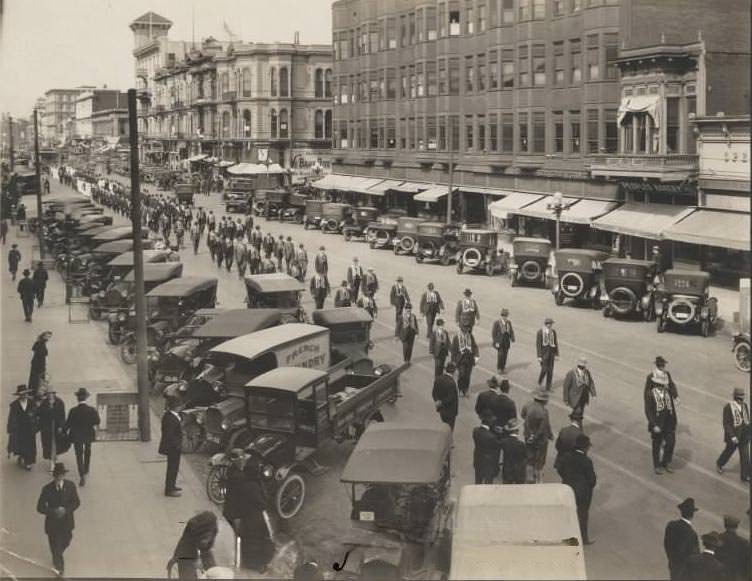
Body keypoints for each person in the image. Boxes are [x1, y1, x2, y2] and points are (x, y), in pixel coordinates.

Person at [36, 462, 80, 576]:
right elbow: (40, 507)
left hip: (66, 522)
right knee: (55, 546)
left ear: (64, 475)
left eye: (61, 475)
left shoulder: (70, 486)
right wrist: (53, 511)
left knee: (66, 540)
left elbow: (76, 502)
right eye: (57, 475)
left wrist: (65, 510)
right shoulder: (47, 489)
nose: (59, 477)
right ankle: (59, 568)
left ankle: (57, 555)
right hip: (53, 524)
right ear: (54, 476)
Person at [557, 433, 596, 545]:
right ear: (585, 447)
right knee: (583, 515)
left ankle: (567, 537)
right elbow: (591, 479)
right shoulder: (586, 461)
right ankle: (584, 538)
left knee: (568, 514)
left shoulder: (566, 457)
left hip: (568, 489)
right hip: (583, 492)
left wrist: (566, 479)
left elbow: (560, 469)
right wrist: (588, 486)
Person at [167, 511, 219, 579]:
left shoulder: (213, 531)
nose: (206, 540)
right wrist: (196, 561)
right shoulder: (192, 529)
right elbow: (184, 550)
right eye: (205, 538)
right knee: (188, 574)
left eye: (208, 538)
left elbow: (207, 549)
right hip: (186, 552)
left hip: (203, 548)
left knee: (214, 572)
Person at [65, 388, 100, 486]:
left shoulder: (73, 411)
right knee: (88, 450)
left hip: (76, 436)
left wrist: (63, 430)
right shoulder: (92, 410)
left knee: (79, 454)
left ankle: (81, 475)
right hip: (88, 434)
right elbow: (97, 421)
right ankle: (86, 468)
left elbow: (68, 424)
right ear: (86, 398)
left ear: (77, 399)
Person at [645, 371, 678, 474]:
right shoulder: (650, 394)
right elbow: (648, 411)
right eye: (659, 383)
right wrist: (654, 424)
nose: (661, 385)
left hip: (669, 422)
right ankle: (657, 465)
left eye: (662, 383)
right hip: (657, 423)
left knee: (671, 442)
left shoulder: (667, 392)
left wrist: (674, 420)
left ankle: (666, 461)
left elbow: (671, 407)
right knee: (657, 444)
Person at [716, 387, 750, 481]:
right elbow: (726, 424)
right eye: (739, 398)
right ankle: (719, 463)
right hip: (734, 436)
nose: (741, 400)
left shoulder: (745, 406)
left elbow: (747, 420)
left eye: (742, 398)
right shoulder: (728, 407)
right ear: (735, 398)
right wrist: (732, 436)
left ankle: (745, 475)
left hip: (744, 435)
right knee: (728, 452)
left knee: (745, 455)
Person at [521, 389, 554, 483]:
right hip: (540, 440)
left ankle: (529, 477)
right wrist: (550, 434)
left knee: (529, 456)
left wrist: (531, 435)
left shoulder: (527, 405)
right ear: (544, 400)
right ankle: (539, 480)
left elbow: (522, 415)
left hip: (528, 435)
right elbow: (543, 427)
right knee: (540, 459)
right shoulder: (543, 412)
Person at [664, 497, 700, 581]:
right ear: (692, 515)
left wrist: (672, 560)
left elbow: (667, 545)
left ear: (681, 511)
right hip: (686, 571)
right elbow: (695, 555)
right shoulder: (692, 534)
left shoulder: (671, 525)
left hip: (673, 565)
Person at [7, 384, 37, 470]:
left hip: (30, 428)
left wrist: (36, 425)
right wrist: (10, 428)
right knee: (20, 444)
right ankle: (22, 456)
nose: (24, 395)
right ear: (19, 395)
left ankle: (28, 462)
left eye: (25, 393)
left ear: (27, 394)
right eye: (22, 394)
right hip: (19, 428)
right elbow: (11, 417)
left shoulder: (32, 403)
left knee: (30, 445)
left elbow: (36, 415)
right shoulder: (14, 405)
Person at [159, 396, 183, 497]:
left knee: (174, 467)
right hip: (172, 448)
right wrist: (177, 445)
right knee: (172, 468)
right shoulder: (170, 419)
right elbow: (170, 435)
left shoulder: (170, 415)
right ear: (176, 407)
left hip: (173, 447)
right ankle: (169, 490)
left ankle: (172, 485)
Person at [37, 389, 66, 471]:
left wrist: (61, 426)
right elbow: (39, 414)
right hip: (47, 427)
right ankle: (52, 462)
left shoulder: (60, 402)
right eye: (48, 394)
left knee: (56, 443)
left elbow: (62, 415)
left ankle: (54, 460)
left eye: (51, 393)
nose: (49, 395)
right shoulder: (44, 403)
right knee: (49, 444)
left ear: (54, 394)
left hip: (56, 427)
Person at [716, 515, 751, 581]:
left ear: (725, 525)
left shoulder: (718, 538)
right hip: (736, 575)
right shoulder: (743, 542)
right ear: (736, 526)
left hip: (720, 574)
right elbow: (747, 561)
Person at [473, 409, 501, 484]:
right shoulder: (492, 437)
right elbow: (497, 448)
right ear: (489, 421)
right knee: (488, 484)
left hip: (478, 461)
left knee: (478, 481)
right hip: (488, 464)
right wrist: (498, 434)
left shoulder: (475, 431)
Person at [451, 327, 479, 397]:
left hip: (469, 358)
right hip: (461, 359)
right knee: (462, 374)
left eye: (467, 331)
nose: (466, 333)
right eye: (465, 332)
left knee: (467, 375)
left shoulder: (470, 337)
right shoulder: (456, 338)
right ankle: (460, 389)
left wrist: (476, 356)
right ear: (461, 331)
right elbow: (453, 350)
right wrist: (453, 360)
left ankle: (466, 389)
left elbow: (475, 346)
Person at [432, 363, 459, 431]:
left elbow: (434, 393)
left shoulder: (438, 379)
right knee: (449, 429)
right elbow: (451, 397)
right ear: (454, 371)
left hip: (441, 409)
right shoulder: (452, 383)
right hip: (450, 410)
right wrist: (442, 402)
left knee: (444, 424)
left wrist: (437, 401)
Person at [499, 419, 527, 484]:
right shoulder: (521, 444)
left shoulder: (504, 442)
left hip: (507, 471)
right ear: (517, 431)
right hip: (519, 472)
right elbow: (525, 457)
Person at [535, 317, 559, 390]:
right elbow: (538, 344)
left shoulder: (553, 332)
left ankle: (548, 386)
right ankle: (539, 382)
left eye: (551, 324)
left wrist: (557, 354)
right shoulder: (540, 332)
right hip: (544, 354)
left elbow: (555, 343)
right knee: (544, 369)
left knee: (550, 371)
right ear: (546, 324)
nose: (550, 325)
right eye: (549, 324)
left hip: (551, 354)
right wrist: (539, 356)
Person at [491, 308, 515, 373]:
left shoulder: (508, 323)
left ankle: (503, 367)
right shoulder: (497, 323)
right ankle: (499, 368)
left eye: (506, 316)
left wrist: (512, 338)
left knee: (505, 355)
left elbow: (511, 331)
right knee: (500, 355)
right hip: (499, 342)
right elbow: (494, 333)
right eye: (504, 316)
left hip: (506, 342)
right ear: (501, 316)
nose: (505, 317)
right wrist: (495, 342)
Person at [29, 331, 52, 397]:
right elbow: (41, 353)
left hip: (37, 362)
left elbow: (34, 350)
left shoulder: (40, 342)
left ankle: (36, 390)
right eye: (47, 336)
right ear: (43, 336)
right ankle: (38, 391)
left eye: (49, 337)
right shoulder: (41, 343)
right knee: (39, 377)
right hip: (39, 363)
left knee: (37, 377)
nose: (48, 338)